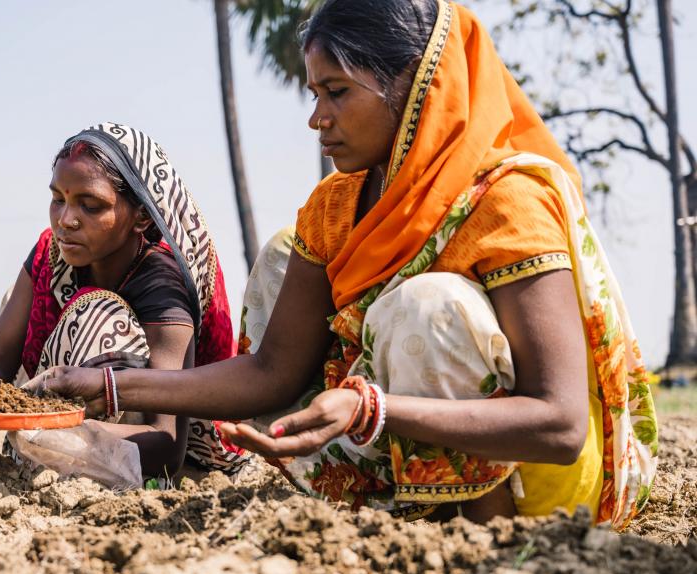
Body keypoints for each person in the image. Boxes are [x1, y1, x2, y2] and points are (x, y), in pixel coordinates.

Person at [32, 0, 658, 529]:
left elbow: (560, 424)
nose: (316, 119)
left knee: (426, 307)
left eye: (337, 93)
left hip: (538, 494)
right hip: (386, 447)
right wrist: (107, 387)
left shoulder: (506, 202)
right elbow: (274, 371)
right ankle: (400, 515)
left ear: (417, 83)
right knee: (281, 255)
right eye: (314, 93)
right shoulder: (337, 207)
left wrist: (371, 410)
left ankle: (474, 528)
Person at [0, 123, 243, 480]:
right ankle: (37, 456)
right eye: (58, 199)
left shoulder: (161, 283)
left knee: (96, 313)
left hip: (149, 454)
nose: (66, 220)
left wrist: (65, 434)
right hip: (52, 429)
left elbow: (166, 441)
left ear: (141, 216)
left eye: (89, 205)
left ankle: (63, 467)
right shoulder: (51, 252)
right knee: (17, 296)